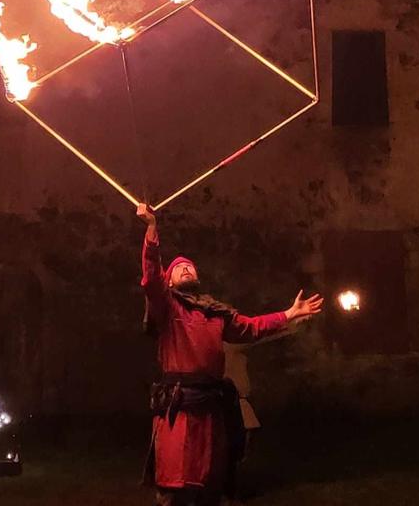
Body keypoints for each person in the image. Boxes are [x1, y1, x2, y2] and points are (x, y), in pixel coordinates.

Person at [138, 203, 323, 506]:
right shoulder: (167, 306)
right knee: (176, 485)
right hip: (178, 408)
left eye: (190, 266)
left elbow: (251, 327)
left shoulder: (216, 313)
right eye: (178, 268)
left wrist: (288, 314)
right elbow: (150, 277)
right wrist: (151, 228)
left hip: (211, 407)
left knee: (210, 480)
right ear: (169, 281)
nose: (186, 268)